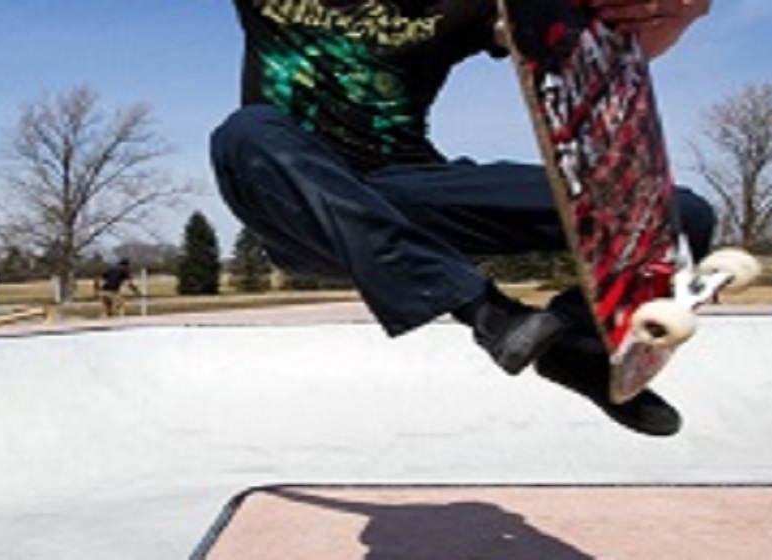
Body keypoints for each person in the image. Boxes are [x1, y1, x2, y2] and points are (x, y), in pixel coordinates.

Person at [211, 0, 715, 436]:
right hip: (296, 204)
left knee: (681, 213)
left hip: (410, 197)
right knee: (247, 131)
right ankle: (487, 311)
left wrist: (678, 12)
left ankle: (576, 350)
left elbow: (583, 38)